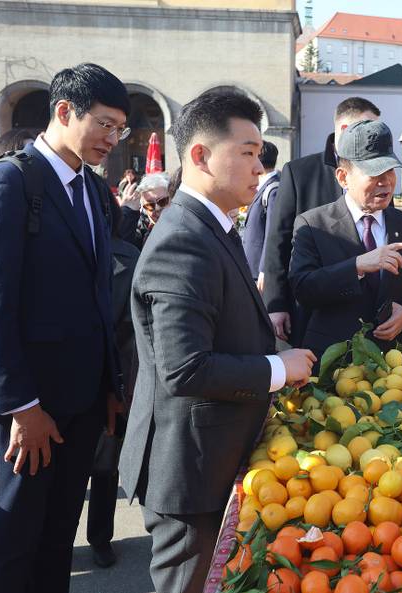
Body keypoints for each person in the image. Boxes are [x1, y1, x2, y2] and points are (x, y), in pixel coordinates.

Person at [118, 89, 315, 593]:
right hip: (190, 467)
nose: (260, 165)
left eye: (260, 152)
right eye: (247, 152)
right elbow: (184, 368)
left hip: (211, 454)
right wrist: (279, 369)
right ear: (201, 156)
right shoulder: (184, 239)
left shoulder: (213, 226)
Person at [0, 62, 129, 593]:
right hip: (26, 412)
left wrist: (109, 385)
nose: (112, 138)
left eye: (119, 128)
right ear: (63, 112)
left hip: (80, 404)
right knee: (13, 543)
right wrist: (20, 406)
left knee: (58, 538)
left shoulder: (96, 193)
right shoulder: (6, 184)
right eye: (103, 124)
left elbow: (100, 300)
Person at [289, 120, 402, 359]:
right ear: (343, 177)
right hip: (333, 365)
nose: (385, 181)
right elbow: (303, 288)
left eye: (389, 170)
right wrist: (356, 266)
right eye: (374, 173)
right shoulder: (313, 225)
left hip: (393, 368)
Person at [263, 97, 381, 346]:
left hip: (363, 309)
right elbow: (278, 241)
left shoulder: (378, 174)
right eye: (368, 128)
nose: (376, 136)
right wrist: (275, 304)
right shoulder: (299, 172)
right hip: (313, 305)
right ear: (345, 130)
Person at [87, 197, 141, 569]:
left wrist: (123, 387)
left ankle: (100, 537)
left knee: (106, 465)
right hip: (64, 380)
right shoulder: (54, 255)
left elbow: (132, 331)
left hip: (113, 377)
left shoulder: (129, 257)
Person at [243, 140, 280, 286]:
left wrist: (264, 269)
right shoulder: (265, 186)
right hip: (253, 267)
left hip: (259, 270)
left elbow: (273, 232)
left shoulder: (273, 189)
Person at [117, 171, 170, 249]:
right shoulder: (140, 227)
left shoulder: (184, 225)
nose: (157, 208)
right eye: (150, 205)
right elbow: (122, 248)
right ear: (142, 206)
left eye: (162, 201)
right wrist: (127, 214)